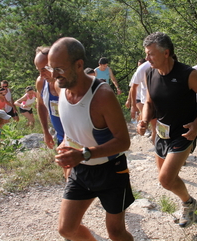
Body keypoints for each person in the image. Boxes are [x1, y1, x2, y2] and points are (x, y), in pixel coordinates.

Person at [47, 37, 134, 241]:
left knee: (116, 233)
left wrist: (84, 153)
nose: (53, 75)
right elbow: (73, 125)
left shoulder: (102, 95)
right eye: (51, 69)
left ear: (78, 65)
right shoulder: (61, 88)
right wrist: (66, 144)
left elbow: (124, 142)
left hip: (111, 170)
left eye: (58, 69)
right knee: (66, 229)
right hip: (81, 169)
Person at [136, 32, 197, 228]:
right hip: (162, 134)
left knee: (165, 179)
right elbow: (148, 102)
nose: (147, 59)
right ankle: (189, 202)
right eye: (146, 54)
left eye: (151, 54)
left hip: (184, 133)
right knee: (166, 177)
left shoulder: (187, 74)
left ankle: (188, 204)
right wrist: (144, 119)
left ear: (166, 53)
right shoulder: (150, 73)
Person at [34, 46, 68, 179]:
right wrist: (46, 132)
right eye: (38, 70)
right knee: (68, 175)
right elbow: (41, 105)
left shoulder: (67, 84)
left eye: (45, 69)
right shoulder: (41, 83)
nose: (42, 74)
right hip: (61, 136)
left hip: (78, 136)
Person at [128, 60, 157, 145]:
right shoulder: (142, 68)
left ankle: (154, 140)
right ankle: (144, 129)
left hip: (160, 100)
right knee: (154, 124)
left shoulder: (164, 65)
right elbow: (132, 87)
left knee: (157, 125)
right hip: (145, 101)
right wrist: (132, 106)